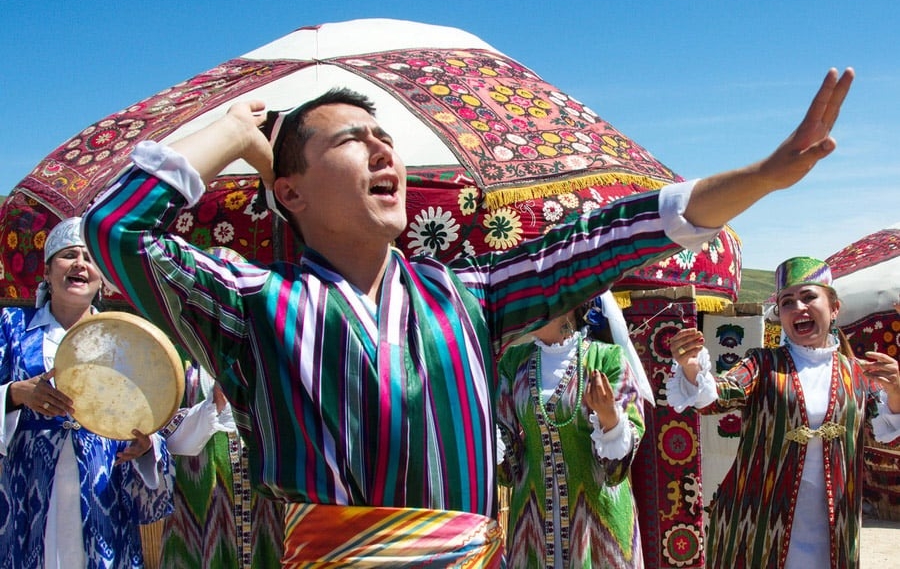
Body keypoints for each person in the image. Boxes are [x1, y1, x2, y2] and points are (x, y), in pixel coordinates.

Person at [82, 68, 853, 565]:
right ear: (290, 193)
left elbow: (600, 239)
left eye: (389, 141)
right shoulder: (254, 304)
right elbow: (118, 229)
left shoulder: (468, 294)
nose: (386, 154)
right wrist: (236, 129)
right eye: (355, 140)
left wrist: (763, 176)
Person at [666, 256, 900, 569]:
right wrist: (693, 368)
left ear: (834, 308)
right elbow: (716, 398)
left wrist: (896, 391)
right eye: (787, 302)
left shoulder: (857, 373)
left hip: (834, 524)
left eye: (809, 297)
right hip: (760, 521)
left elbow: (886, 432)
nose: (798, 308)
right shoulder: (761, 364)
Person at [0, 217, 173, 569]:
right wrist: (15, 393)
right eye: (67, 255)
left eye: (88, 258)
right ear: (47, 273)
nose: (79, 263)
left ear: (103, 281)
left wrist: (145, 446)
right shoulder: (11, 328)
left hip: (101, 487)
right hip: (24, 489)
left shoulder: (126, 340)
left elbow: (146, 414)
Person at [497, 291, 646, 568]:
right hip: (533, 523)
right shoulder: (513, 362)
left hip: (599, 523)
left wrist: (609, 417)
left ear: (566, 304)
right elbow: (503, 453)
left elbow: (618, 467)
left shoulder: (608, 359)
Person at [160, 360, 284, 568]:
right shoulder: (179, 357)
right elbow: (162, 431)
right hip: (199, 495)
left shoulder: (266, 350)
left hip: (262, 492)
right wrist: (213, 404)